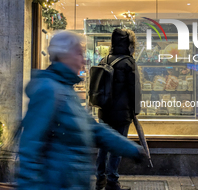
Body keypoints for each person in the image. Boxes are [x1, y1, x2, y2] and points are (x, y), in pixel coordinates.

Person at [17, 31, 144, 190]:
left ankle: (103, 178)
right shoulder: (49, 90)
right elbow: (30, 148)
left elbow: (93, 128)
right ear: (64, 55)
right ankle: (111, 180)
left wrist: (132, 149)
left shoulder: (66, 90)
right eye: (79, 53)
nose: (83, 60)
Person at [96, 28, 142, 190]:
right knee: (117, 144)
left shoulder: (104, 60)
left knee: (103, 145)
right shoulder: (129, 63)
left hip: (104, 111)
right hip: (122, 113)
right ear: (129, 44)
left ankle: (99, 178)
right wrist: (136, 110)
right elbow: (134, 90)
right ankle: (112, 181)